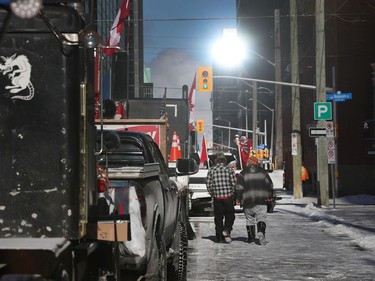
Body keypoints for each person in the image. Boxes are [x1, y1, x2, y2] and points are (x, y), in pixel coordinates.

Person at [235, 156, 273, 245]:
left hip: (247, 200)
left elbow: (239, 187)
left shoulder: (243, 173)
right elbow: (269, 185)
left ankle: (251, 238)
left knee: (249, 219)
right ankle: (261, 231)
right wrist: (270, 196)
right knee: (261, 217)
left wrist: (238, 198)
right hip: (261, 199)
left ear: (248, 162)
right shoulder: (263, 172)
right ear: (256, 163)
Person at [206, 153, 236, 243]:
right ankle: (227, 230)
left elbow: (208, 184)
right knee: (230, 215)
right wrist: (232, 193)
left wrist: (213, 193)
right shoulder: (229, 170)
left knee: (218, 217)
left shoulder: (212, 170)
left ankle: (219, 237)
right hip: (228, 197)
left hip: (217, 198)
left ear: (216, 160)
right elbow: (234, 183)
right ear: (225, 160)